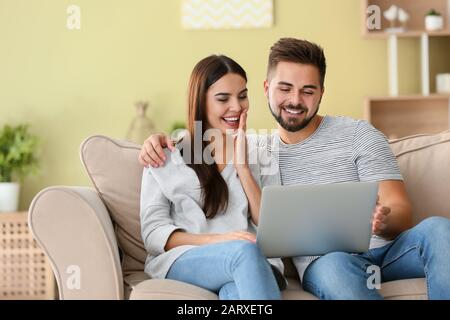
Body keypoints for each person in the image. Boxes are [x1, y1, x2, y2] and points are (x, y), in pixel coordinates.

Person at [139, 38, 450, 300]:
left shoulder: (358, 135)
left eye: (308, 91)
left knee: (439, 228)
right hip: (328, 261)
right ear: (267, 89)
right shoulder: (259, 149)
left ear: (322, 93)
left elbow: (401, 211)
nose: (295, 100)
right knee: (334, 267)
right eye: (285, 88)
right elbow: (204, 153)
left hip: (388, 250)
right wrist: (159, 141)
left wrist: (382, 221)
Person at [140, 54, 284, 300]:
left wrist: (243, 168)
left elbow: (273, 229)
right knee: (244, 252)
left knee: (236, 293)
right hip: (187, 259)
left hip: (250, 263)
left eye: (242, 96)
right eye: (223, 98)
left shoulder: (262, 153)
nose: (237, 107)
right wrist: (219, 241)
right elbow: (154, 235)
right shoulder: (166, 155)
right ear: (200, 102)